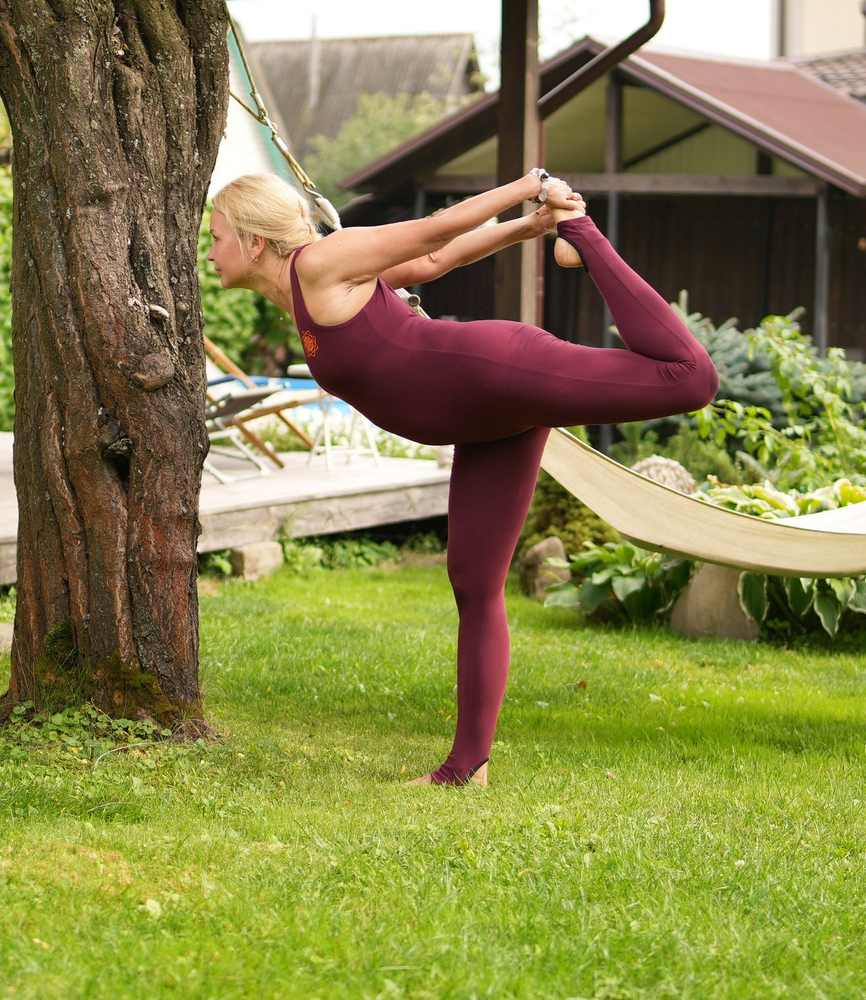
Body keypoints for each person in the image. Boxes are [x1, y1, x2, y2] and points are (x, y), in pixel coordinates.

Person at [206, 170, 718, 785]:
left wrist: (532, 186)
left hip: (498, 372)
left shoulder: (322, 261)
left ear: (253, 242)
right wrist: (530, 224)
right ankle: (465, 766)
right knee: (474, 581)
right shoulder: (309, 288)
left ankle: (584, 232)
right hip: (485, 421)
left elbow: (435, 230)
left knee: (689, 378)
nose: (209, 253)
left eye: (216, 237)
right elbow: (434, 261)